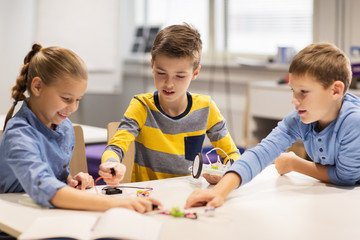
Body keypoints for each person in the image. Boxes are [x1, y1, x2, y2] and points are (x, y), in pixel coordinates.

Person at [185, 42, 360, 209]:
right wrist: (220, 190)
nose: (294, 100)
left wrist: (295, 163)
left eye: (304, 92)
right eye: (293, 90)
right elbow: (261, 153)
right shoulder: (299, 119)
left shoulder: (353, 121)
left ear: (335, 91)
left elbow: (345, 177)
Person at [0, 43, 161, 212]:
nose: (73, 108)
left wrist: (70, 181)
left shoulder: (65, 127)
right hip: (13, 221)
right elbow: (44, 187)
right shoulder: (18, 134)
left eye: (78, 100)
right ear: (37, 86)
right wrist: (120, 204)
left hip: (48, 213)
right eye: (66, 98)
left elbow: (53, 178)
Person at [99, 23, 240, 185]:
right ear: (152, 65)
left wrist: (224, 173)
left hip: (188, 196)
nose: (169, 84)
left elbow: (233, 155)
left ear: (195, 73)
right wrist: (112, 163)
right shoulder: (142, 105)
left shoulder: (206, 108)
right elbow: (115, 147)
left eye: (179, 76)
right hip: (148, 196)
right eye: (161, 73)